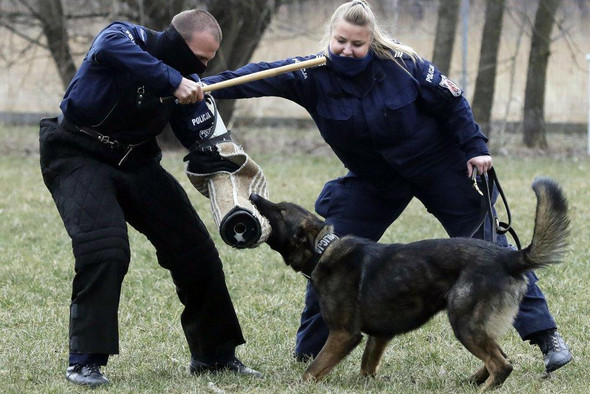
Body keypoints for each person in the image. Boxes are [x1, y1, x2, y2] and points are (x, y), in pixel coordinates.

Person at [202, 0, 572, 374]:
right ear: (331, 36)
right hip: (373, 180)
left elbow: (453, 102)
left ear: (371, 41)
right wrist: (204, 87)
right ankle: (310, 351)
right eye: (340, 40)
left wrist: (476, 147)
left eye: (357, 44)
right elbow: (255, 77)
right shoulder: (310, 74)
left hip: (437, 166)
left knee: (491, 250)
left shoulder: (403, 65)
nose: (347, 49)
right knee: (327, 256)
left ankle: (547, 338)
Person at [39, 9, 261, 387]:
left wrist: (226, 170)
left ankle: (216, 356)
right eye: (199, 60)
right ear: (178, 42)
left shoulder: (189, 83)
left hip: (138, 162)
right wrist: (174, 82)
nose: (201, 70)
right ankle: (85, 362)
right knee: (105, 249)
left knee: (194, 249)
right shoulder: (125, 37)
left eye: (206, 64)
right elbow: (110, 46)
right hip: (77, 154)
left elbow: (206, 141)